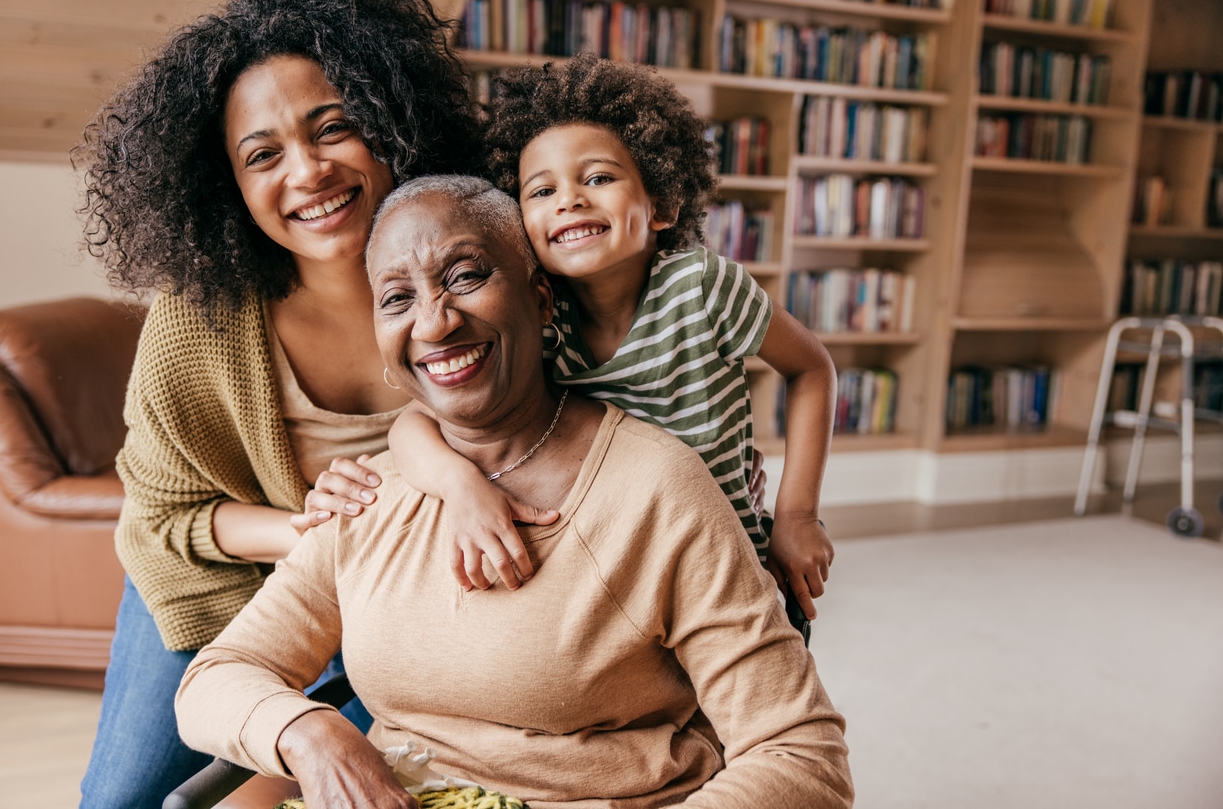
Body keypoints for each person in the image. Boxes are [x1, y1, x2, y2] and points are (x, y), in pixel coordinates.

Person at [175, 175, 854, 808]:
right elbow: (216, 678)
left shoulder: (656, 489)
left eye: (465, 276)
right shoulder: (367, 492)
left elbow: (801, 755)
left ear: (539, 297)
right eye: (397, 297)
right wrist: (308, 731)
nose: (434, 322)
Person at [72, 0, 482, 805]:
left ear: (395, 127)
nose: (308, 171)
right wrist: (310, 534)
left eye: (335, 128)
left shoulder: (483, 273)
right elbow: (161, 521)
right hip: (225, 587)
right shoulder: (198, 325)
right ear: (225, 183)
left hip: (413, 603)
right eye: (263, 154)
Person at [387, 53, 838, 625]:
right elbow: (414, 422)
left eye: (598, 178)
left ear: (663, 204)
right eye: (540, 191)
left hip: (730, 572)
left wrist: (798, 515)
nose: (569, 199)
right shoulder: (536, 315)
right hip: (612, 583)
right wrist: (460, 485)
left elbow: (812, 368)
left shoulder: (701, 285)